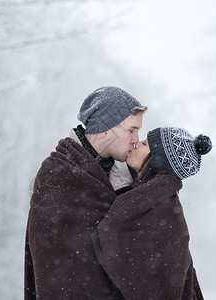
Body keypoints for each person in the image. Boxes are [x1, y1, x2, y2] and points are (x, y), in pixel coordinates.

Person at [25, 86, 148, 299]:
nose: (136, 139)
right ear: (106, 127)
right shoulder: (56, 176)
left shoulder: (128, 175)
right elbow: (56, 263)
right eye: (131, 130)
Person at [91, 127, 212, 300]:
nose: (136, 143)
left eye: (145, 144)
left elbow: (110, 237)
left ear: (158, 160)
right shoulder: (150, 199)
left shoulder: (160, 209)